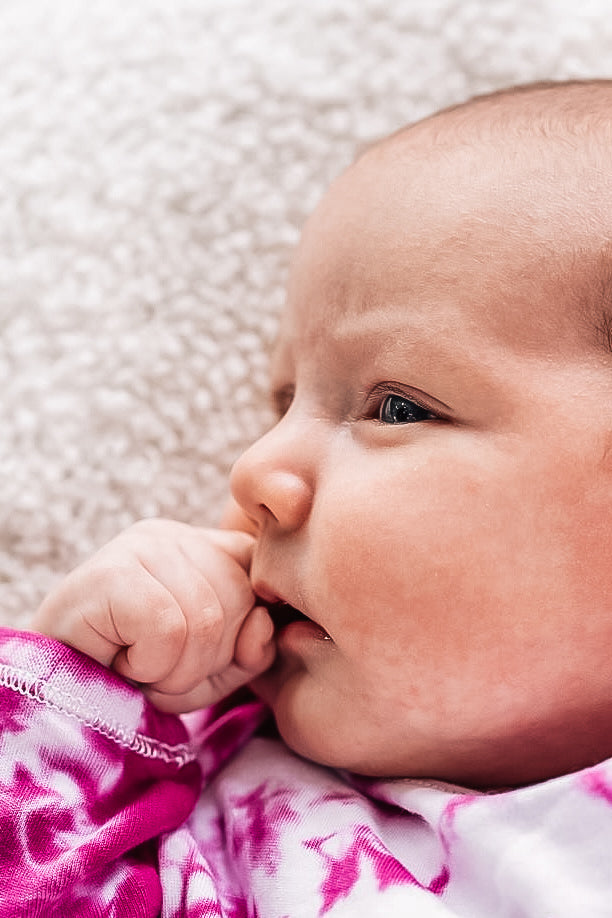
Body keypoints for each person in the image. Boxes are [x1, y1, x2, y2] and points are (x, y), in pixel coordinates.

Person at [2, 79, 612, 916]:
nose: (254, 469)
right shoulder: (214, 798)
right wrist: (66, 707)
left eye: (397, 407)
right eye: (283, 401)